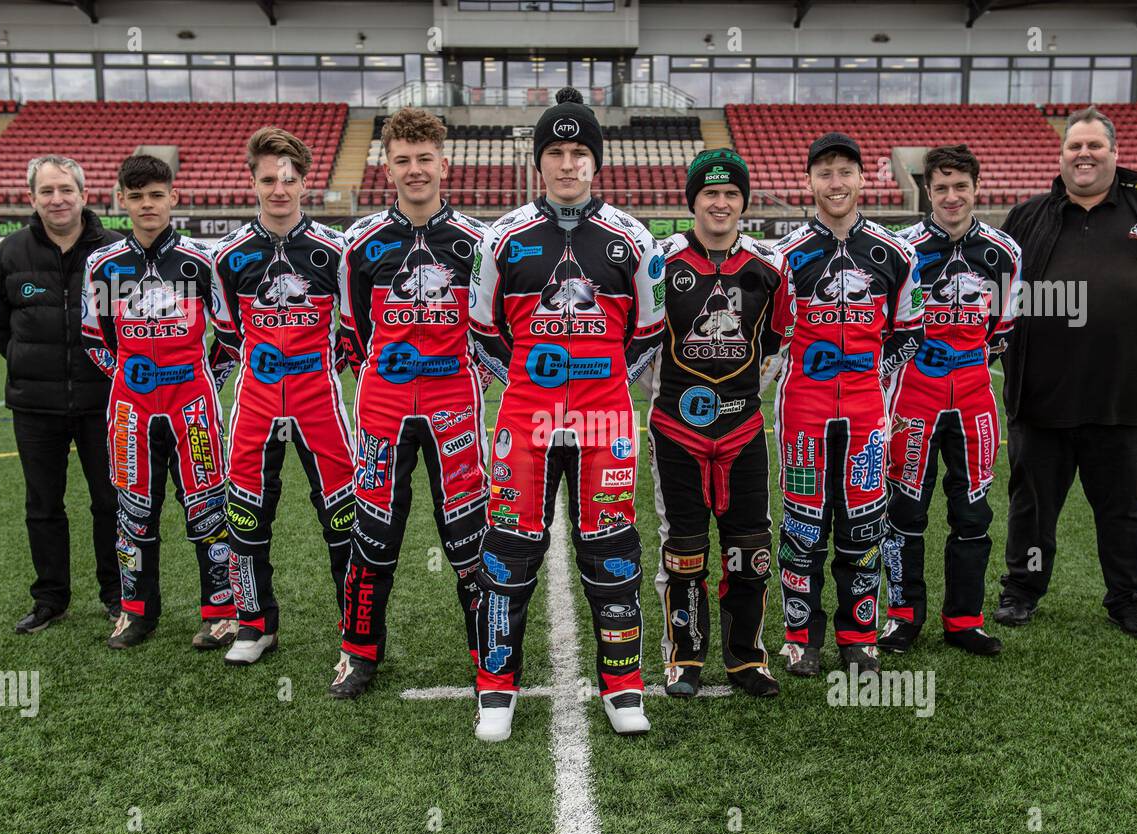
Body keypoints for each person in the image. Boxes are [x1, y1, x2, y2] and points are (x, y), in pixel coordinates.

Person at [469, 87, 665, 741]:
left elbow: (649, 330)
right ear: (540, 160)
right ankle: (495, 687)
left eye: (580, 151)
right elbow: (482, 330)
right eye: (556, 151)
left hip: (606, 421)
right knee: (507, 550)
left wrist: (605, 383)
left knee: (611, 548)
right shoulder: (502, 238)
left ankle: (624, 685)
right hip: (524, 418)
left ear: (596, 161)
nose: (568, 162)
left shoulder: (633, 239)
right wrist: (527, 383)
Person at [996, 107, 1137, 638]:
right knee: (1032, 507)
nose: (1084, 154)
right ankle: (1022, 590)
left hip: (1125, 397)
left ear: (1114, 152)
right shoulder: (1029, 216)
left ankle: (1130, 601)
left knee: (1125, 510)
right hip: (1041, 398)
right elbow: (1001, 289)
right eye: (1074, 146)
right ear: (1061, 154)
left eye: (1094, 146)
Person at [329, 108, 491, 698]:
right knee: (373, 535)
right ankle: (359, 652)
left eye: (425, 159)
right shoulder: (360, 244)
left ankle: (487, 655)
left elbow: (490, 330)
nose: (415, 170)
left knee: (469, 535)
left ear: (444, 164)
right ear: (387, 167)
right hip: (384, 410)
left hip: (455, 411)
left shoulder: (479, 244)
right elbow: (351, 333)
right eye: (403, 160)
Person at [774, 132, 924, 677]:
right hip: (802, 413)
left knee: (863, 525)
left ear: (864, 179)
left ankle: (859, 637)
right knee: (803, 526)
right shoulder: (785, 256)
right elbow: (771, 334)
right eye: (824, 173)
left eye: (845, 172)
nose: (835, 183)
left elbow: (909, 333)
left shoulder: (895, 253)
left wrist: (870, 376)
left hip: (866, 414)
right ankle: (800, 637)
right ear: (809, 182)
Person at [648, 148, 795, 698]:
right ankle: (684, 659)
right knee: (682, 549)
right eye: (710, 193)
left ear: (743, 203)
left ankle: (745, 658)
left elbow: (779, 339)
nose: (720, 202)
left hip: (743, 431)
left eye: (731, 194)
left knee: (749, 547)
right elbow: (640, 338)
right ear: (693, 201)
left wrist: (745, 395)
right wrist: (669, 398)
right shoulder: (661, 261)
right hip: (676, 430)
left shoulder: (769, 266)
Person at [210, 128, 356, 665]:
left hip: (321, 402)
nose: (279, 189)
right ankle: (255, 624)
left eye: (288, 180)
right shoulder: (228, 256)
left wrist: (314, 367)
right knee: (247, 515)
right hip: (256, 404)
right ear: (252, 181)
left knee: (341, 515)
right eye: (269, 179)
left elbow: (353, 329)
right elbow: (228, 333)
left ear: (304, 183)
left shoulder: (333, 251)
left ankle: (353, 629)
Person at [80, 154, 238, 650]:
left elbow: (230, 336)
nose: (147, 205)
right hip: (132, 410)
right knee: (133, 510)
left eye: (156, 195)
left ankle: (220, 612)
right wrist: (130, 377)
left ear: (172, 197)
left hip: (193, 406)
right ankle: (135, 612)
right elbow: (94, 339)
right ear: (121, 200)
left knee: (208, 507)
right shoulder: (103, 264)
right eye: (136, 196)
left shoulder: (201, 260)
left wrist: (202, 379)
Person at [878, 144, 1021, 657]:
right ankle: (903, 618)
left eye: (961, 186)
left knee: (973, 514)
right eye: (941, 187)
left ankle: (965, 619)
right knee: (905, 512)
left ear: (976, 188)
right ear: (928, 191)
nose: (952, 196)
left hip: (975, 402)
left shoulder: (1005, 251)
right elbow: (891, 331)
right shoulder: (902, 247)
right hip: (913, 401)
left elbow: (1001, 330)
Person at [0, 155, 123, 634]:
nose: (57, 199)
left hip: (104, 402)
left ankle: (116, 594)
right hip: (34, 405)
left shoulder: (115, 251)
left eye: (66, 189)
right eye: (47, 191)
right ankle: (50, 598)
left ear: (85, 195)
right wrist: (35, 369)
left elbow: (126, 326)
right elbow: (1, 328)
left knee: (110, 501)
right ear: (32, 198)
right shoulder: (10, 253)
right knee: (43, 504)